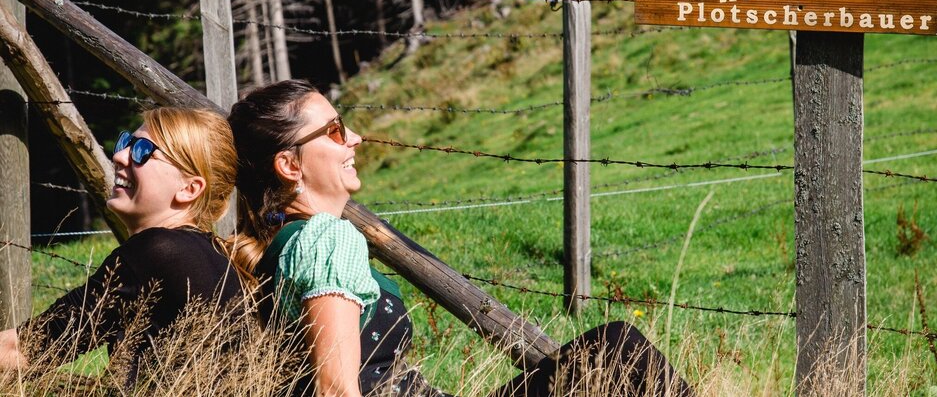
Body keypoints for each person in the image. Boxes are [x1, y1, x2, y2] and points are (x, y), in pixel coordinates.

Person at [227, 79, 693, 397]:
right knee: (618, 351)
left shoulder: (283, 244)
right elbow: (336, 390)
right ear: (290, 165)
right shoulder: (326, 239)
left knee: (609, 353)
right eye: (333, 130)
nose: (356, 138)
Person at [0, 107, 245, 386]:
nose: (118, 156)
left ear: (189, 188)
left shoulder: (157, 251)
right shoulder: (206, 251)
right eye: (125, 142)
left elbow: (33, 347)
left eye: (142, 151)